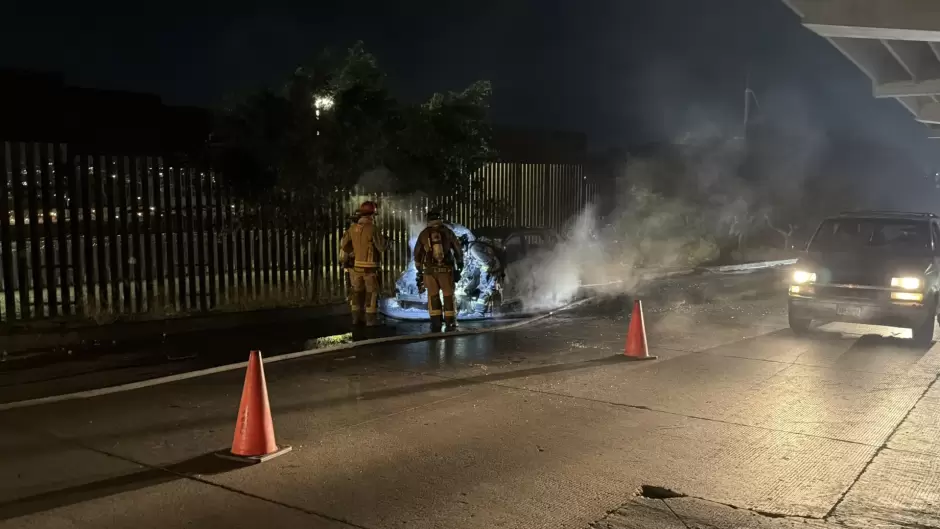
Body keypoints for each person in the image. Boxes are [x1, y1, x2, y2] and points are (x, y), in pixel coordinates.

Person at [413, 210, 464, 331]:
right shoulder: (447, 231)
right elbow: (457, 248)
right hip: (446, 269)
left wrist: (419, 269)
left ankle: (436, 322)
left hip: (429, 271)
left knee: (433, 296)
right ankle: (450, 321)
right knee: (448, 296)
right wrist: (460, 263)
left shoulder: (424, 234)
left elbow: (417, 253)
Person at [340, 201, 386, 326]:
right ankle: (370, 321)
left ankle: (356, 319)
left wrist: (353, 252)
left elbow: (344, 245)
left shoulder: (352, 228)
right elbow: (381, 247)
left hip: (357, 268)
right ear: (371, 215)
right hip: (370, 269)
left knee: (357, 293)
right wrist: (387, 243)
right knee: (371, 294)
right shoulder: (373, 229)